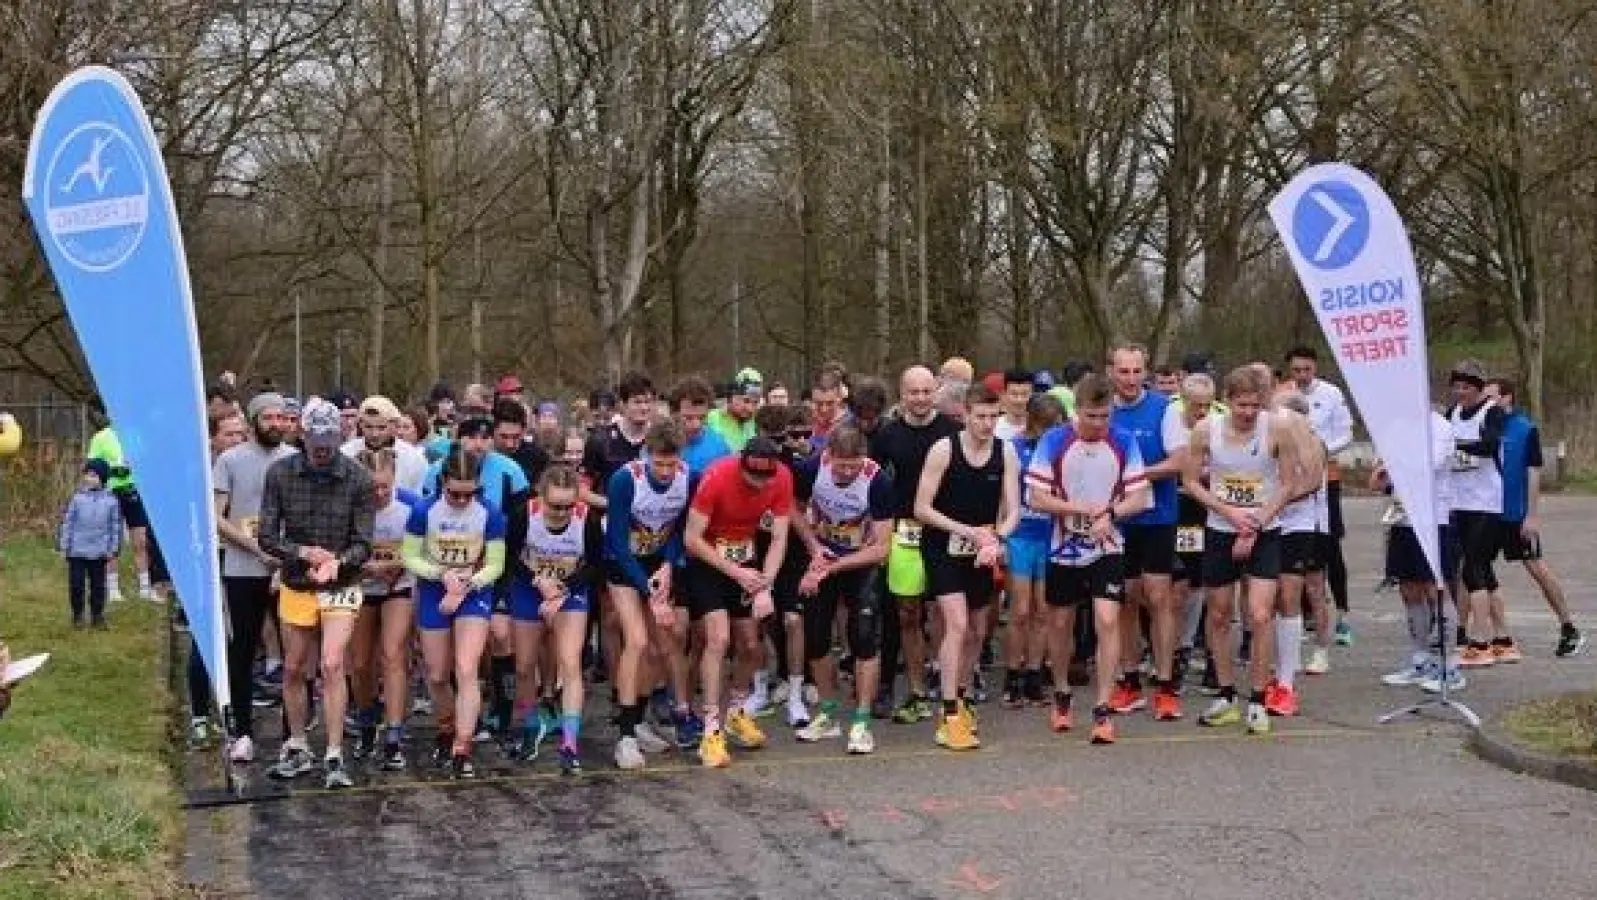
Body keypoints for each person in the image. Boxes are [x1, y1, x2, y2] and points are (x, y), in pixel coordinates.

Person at [257, 398, 376, 789]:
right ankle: (297, 743)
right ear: (303, 435)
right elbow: (267, 536)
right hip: (297, 580)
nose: (322, 449)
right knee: (294, 666)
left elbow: (364, 542)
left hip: (340, 582)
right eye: (316, 442)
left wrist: (337, 562)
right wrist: (304, 553)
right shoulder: (280, 473)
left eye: (329, 442)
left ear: (340, 437)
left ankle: (335, 751)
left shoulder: (358, 478)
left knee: (331, 663)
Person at [1182, 367, 1308, 735]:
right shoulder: (1205, 430)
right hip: (1221, 529)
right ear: (1227, 401)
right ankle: (1225, 694)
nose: (1249, 413)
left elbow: (1289, 483)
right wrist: (1228, 512)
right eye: (1241, 406)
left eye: (1255, 405)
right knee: (1219, 613)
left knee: (1260, 613)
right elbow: (1190, 481)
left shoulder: (1277, 428)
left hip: (1264, 529)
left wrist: (1257, 519)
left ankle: (1257, 698)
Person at [1026, 374, 1150, 744]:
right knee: (1060, 622)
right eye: (1091, 416)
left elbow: (1139, 497)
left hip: (1107, 545)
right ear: (1076, 411)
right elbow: (1035, 497)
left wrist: (1110, 514)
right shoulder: (1054, 440)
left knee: (1107, 619)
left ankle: (1102, 707)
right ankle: (1062, 692)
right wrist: (1076, 509)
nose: (1098, 423)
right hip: (1063, 546)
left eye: (1104, 416)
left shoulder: (1123, 441)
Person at [914, 382, 1022, 752]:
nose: (987, 424)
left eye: (993, 417)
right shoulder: (943, 450)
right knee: (957, 623)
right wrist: (967, 531)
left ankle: (961, 695)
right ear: (966, 415)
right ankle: (948, 715)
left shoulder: (1005, 452)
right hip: (943, 544)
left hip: (982, 549)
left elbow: (1014, 511)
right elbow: (921, 508)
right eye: (981, 417)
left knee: (977, 630)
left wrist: (996, 539)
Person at [683, 437, 795, 768]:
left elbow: (779, 537)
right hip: (708, 560)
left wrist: (765, 585)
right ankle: (710, 729)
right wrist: (736, 572)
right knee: (718, 640)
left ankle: (735, 711)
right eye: (752, 477)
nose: (759, 484)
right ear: (741, 464)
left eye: (765, 478)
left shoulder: (782, 477)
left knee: (750, 644)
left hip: (746, 558)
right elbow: (691, 539)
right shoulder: (717, 477)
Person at [401, 445, 507, 779]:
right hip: (436, 588)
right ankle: (446, 728)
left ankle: (463, 745)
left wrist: (468, 583)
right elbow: (409, 556)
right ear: (442, 483)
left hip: (473, 590)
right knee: (436, 674)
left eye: (468, 494)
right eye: (454, 494)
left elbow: (496, 564)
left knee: (466, 667)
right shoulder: (424, 510)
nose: (461, 501)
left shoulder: (489, 512)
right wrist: (440, 575)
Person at [792, 425, 894, 754]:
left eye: (854, 465)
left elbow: (882, 548)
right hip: (823, 556)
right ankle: (827, 713)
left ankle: (862, 721)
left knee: (864, 637)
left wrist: (833, 567)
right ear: (828, 457)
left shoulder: (877, 481)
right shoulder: (811, 468)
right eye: (841, 466)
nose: (848, 472)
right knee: (816, 636)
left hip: (860, 562)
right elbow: (791, 507)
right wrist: (813, 547)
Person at [870, 366, 961, 723]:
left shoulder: (952, 432)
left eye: (926, 391)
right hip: (904, 531)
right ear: (902, 394)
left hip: (944, 529)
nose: (921, 399)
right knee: (907, 612)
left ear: (936, 391)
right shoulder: (888, 435)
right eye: (913, 392)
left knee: (944, 611)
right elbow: (872, 483)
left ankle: (948, 680)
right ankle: (917, 690)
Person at [212, 392, 298, 764]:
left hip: (287, 570)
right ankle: (242, 731)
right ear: (253, 422)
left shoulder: (295, 459)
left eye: (281, 418)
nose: (276, 424)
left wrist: (285, 554)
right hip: (242, 567)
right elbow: (216, 516)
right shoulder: (230, 460)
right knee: (243, 649)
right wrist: (254, 546)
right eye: (268, 418)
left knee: (295, 652)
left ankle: (293, 732)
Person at [603, 419, 696, 763]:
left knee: (661, 646)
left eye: (672, 464)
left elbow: (681, 529)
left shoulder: (689, 478)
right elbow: (616, 542)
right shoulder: (625, 479)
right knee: (638, 641)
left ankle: (640, 718)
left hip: (657, 560)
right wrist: (648, 590)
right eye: (659, 464)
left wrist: (669, 565)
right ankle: (625, 735)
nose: (666, 472)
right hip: (623, 564)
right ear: (646, 455)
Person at [1106, 344, 1189, 721]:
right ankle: (1129, 681)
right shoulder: (1101, 409)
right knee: (1124, 598)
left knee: (1159, 598)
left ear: (1146, 372)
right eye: (1123, 371)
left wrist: (1134, 476)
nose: (1130, 379)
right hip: (1117, 519)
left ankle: (1166, 684)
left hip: (1157, 516)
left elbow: (1179, 462)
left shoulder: (1165, 408)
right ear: (1111, 372)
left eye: (1136, 371)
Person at [1484, 378, 1585, 657]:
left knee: (1536, 568)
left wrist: (1531, 515)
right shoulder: (1485, 426)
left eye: (1491, 397)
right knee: (1474, 569)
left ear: (1507, 398)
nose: (1487, 403)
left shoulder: (1525, 429)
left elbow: (1533, 474)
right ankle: (1489, 635)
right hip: (1488, 512)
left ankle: (1568, 627)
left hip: (1515, 514)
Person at [508, 465, 595, 774]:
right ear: (540, 496)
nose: (561, 513)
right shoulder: (524, 515)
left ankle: (570, 744)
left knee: (570, 663)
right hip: (529, 587)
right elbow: (509, 558)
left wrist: (564, 589)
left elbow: (595, 565)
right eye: (554, 506)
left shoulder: (586, 520)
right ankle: (531, 725)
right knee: (524, 666)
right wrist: (538, 581)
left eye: (568, 507)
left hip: (570, 589)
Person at [1375, 404, 1465, 693]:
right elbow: (1383, 469)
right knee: (1409, 588)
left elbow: (1429, 465)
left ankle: (1450, 665)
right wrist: (1384, 476)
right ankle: (1420, 657)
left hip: (1433, 519)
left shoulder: (1439, 427)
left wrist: (1393, 464)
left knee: (1435, 587)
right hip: (1402, 518)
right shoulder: (1396, 427)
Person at [1445, 360, 1519, 668]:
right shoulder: (1453, 413)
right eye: (1456, 387)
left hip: (1486, 503)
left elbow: (1488, 446)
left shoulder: (1493, 412)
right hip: (1460, 501)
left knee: (1472, 570)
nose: (1460, 392)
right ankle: (1503, 640)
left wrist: (1454, 444)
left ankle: (1480, 642)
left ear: (1478, 388)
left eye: (1466, 387)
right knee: (1484, 571)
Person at [350, 448, 417, 768]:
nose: (378, 494)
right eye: (371, 488)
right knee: (361, 663)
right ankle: (366, 719)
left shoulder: (407, 511)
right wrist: (367, 567)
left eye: (384, 487)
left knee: (393, 655)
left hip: (398, 587)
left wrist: (393, 566)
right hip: (362, 588)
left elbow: (421, 552)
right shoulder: (351, 510)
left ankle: (394, 731)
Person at [1284, 347, 1356, 645]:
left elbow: (1346, 433)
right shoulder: (1282, 394)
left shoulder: (1331, 393)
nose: (1302, 375)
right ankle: (1303, 616)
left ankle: (1343, 613)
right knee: (1296, 549)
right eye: (1296, 370)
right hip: (1291, 477)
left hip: (1326, 477)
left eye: (1307, 370)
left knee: (1330, 548)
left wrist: (1323, 450)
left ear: (1315, 368)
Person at [1001, 393, 1064, 707]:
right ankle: (1013, 673)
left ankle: (1034, 674)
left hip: (1050, 535)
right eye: (1046, 426)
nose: (1051, 433)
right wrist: (1001, 536)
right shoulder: (1014, 447)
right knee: (1020, 610)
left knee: (1044, 610)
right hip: (1021, 535)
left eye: (1056, 426)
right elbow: (1003, 496)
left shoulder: (1061, 448)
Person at [86, 424, 153, 602]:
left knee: (140, 541)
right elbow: (92, 467)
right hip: (109, 493)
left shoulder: (136, 433)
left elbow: (147, 459)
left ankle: (145, 587)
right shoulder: (100, 437)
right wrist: (111, 469)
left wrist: (134, 465)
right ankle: (113, 589)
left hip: (133, 491)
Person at [58, 458, 122, 629]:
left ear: (102, 478)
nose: (89, 478)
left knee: (98, 586)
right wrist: (65, 546)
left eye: (94, 475)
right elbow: (68, 522)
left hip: (99, 552)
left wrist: (113, 548)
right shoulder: (77, 498)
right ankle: (77, 615)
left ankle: (97, 616)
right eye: (87, 474)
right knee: (76, 585)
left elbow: (115, 526)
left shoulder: (111, 501)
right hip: (77, 551)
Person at [341, 395, 429, 493]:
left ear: (394, 425)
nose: (375, 434)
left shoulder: (414, 459)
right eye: (369, 427)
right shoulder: (346, 454)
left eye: (381, 428)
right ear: (360, 425)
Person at [671, 376, 733, 475]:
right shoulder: (660, 444)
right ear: (675, 413)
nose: (696, 425)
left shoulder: (719, 446)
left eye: (702, 418)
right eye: (688, 418)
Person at [707, 368, 763, 451]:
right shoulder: (711, 419)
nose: (750, 408)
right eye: (746, 401)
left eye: (755, 402)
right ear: (731, 397)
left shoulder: (754, 422)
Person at [995, 369, 1032, 441]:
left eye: (1024, 394)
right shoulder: (994, 428)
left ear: (1032, 394)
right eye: (1014, 394)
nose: (1019, 400)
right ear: (1004, 394)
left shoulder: (1040, 428)